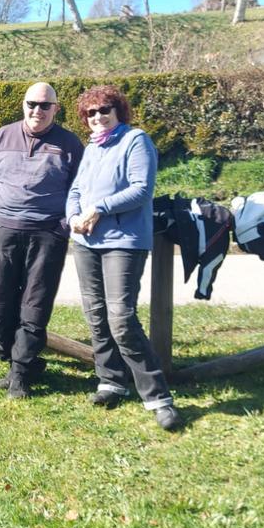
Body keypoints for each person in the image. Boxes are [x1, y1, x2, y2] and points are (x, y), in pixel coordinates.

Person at [67, 85, 184, 431]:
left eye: (104, 110)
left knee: (121, 318)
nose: (98, 117)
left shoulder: (136, 140)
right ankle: (111, 381)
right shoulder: (92, 147)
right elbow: (76, 189)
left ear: (118, 111)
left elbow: (141, 189)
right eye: (91, 112)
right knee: (96, 314)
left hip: (124, 242)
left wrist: (98, 209)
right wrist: (73, 216)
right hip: (85, 241)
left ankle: (158, 396)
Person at [0, 82, 84, 399]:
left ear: (56, 109)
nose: (37, 110)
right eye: (32, 104)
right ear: (23, 105)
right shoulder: (2, 136)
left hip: (47, 235)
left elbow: (81, 189)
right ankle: (18, 361)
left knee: (34, 308)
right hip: (1, 233)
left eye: (45, 105)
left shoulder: (69, 144)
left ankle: (20, 374)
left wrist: (62, 227)